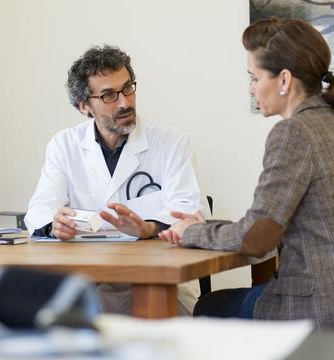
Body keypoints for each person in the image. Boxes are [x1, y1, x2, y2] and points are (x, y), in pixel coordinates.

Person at [159, 18, 334, 335]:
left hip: (324, 312)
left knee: (208, 307)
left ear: (284, 79)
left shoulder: (293, 132)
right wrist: (206, 228)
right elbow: (266, 228)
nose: (252, 87)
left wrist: (192, 232)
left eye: (254, 77)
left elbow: (255, 239)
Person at [25, 45, 203, 315]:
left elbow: (190, 212)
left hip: (156, 284)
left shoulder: (172, 142)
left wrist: (149, 228)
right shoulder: (64, 145)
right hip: (87, 285)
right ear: (84, 106)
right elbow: (40, 210)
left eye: (128, 88)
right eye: (109, 95)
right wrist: (55, 225)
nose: (125, 102)